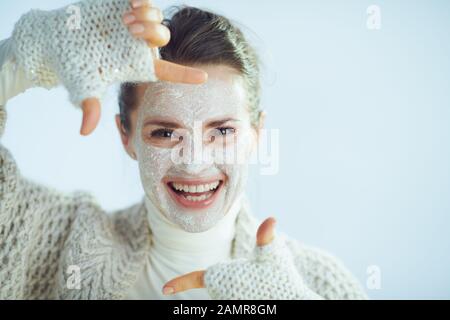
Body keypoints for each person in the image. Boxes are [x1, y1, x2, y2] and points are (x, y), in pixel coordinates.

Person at [0, 0, 368, 300]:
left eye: (222, 130)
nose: (194, 162)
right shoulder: (52, 241)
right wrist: (19, 61)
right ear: (125, 136)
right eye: (164, 133)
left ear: (256, 134)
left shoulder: (318, 285)